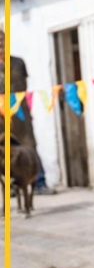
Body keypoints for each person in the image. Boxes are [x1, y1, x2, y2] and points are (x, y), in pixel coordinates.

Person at [0, 35, 55, 195]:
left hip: (20, 111)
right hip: (1, 116)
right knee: (4, 151)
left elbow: (24, 86)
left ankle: (39, 182)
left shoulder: (18, 63)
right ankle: (10, 187)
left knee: (29, 146)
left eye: (2, 41)